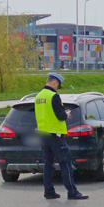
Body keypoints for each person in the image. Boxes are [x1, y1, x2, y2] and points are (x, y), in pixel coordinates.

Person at [34, 72, 88, 200]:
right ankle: (72, 192)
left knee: (48, 163)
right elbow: (60, 116)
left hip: (43, 133)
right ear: (54, 82)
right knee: (65, 162)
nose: (57, 87)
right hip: (55, 134)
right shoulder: (54, 96)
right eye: (58, 85)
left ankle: (49, 191)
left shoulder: (39, 96)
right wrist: (67, 115)